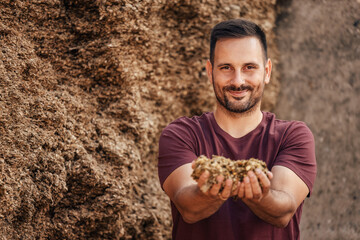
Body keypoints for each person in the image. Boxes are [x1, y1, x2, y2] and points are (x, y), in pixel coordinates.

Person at [158, 19, 317, 240]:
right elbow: (189, 208)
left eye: (249, 67)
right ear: (210, 72)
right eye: (226, 68)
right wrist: (215, 188)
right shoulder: (181, 135)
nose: (238, 81)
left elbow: (284, 211)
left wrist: (259, 196)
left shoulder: (292, 136)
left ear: (267, 71)